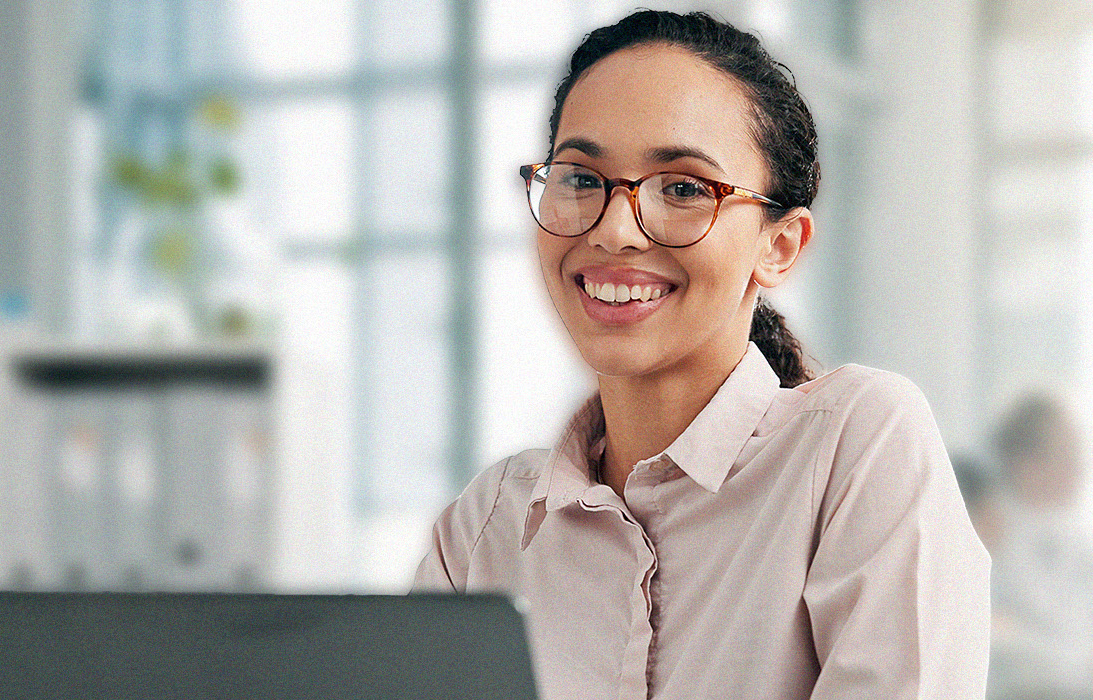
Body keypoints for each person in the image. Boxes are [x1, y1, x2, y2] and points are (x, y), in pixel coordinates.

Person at [411, 10, 990, 699]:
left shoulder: (856, 444)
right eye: (580, 179)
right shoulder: (488, 527)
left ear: (780, 246)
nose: (616, 229)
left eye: (683, 188)